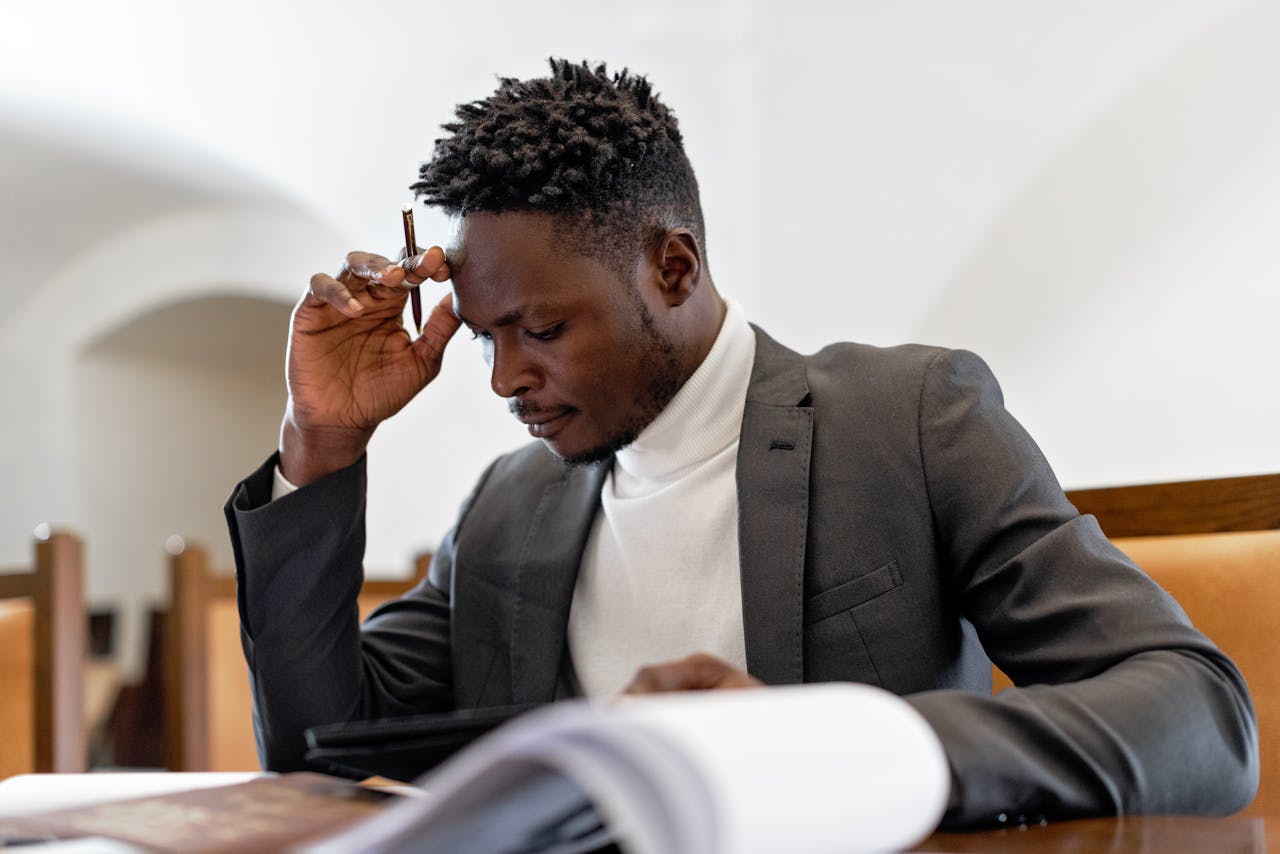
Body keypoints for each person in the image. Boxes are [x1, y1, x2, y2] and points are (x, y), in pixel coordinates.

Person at [225, 59, 1257, 828]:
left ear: (672, 267)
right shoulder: (505, 508)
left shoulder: (907, 420)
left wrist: (839, 746)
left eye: (539, 330)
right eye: (489, 337)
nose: (502, 378)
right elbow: (317, 751)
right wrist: (323, 440)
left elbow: (1199, 714)